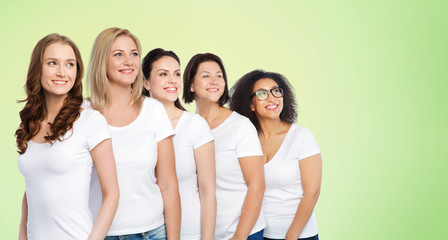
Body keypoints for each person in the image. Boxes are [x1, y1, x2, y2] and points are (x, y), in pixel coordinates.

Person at [15, 33, 119, 240]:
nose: (62, 72)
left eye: (70, 64)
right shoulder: (29, 123)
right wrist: (22, 235)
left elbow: (112, 194)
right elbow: (33, 187)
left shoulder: (90, 121)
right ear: (38, 68)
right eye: (52, 63)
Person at [87, 28, 181, 240]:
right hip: (98, 234)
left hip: (152, 233)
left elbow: (168, 185)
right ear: (102, 60)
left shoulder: (153, 110)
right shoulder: (83, 113)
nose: (129, 61)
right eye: (118, 54)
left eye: (134, 53)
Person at [230, 70, 322, 240]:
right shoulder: (247, 141)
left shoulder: (301, 136)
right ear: (251, 105)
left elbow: (312, 192)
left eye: (276, 91)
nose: (272, 98)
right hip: (259, 233)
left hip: (299, 236)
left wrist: (291, 236)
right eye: (262, 93)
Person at [183, 53, 266, 240]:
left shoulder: (240, 126)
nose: (214, 81)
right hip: (203, 234)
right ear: (190, 85)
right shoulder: (186, 127)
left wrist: (239, 236)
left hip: (242, 233)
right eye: (206, 76)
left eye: (219, 76)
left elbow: (257, 185)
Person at [142, 48, 216, 240]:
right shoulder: (137, 126)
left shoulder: (195, 125)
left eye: (176, 74)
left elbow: (208, 191)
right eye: (163, 74)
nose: (173, 80)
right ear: (146, 82)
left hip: (189, 232)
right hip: (145, 231)